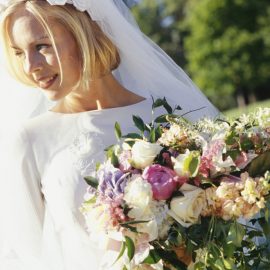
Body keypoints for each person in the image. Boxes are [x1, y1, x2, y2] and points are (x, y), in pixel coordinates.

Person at [0, 0, 219, 269]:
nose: (29, 66)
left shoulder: (171, 117)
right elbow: (19, 257)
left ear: (82, 32)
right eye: (19, 53)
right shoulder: (29, 140)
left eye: (41, 46)